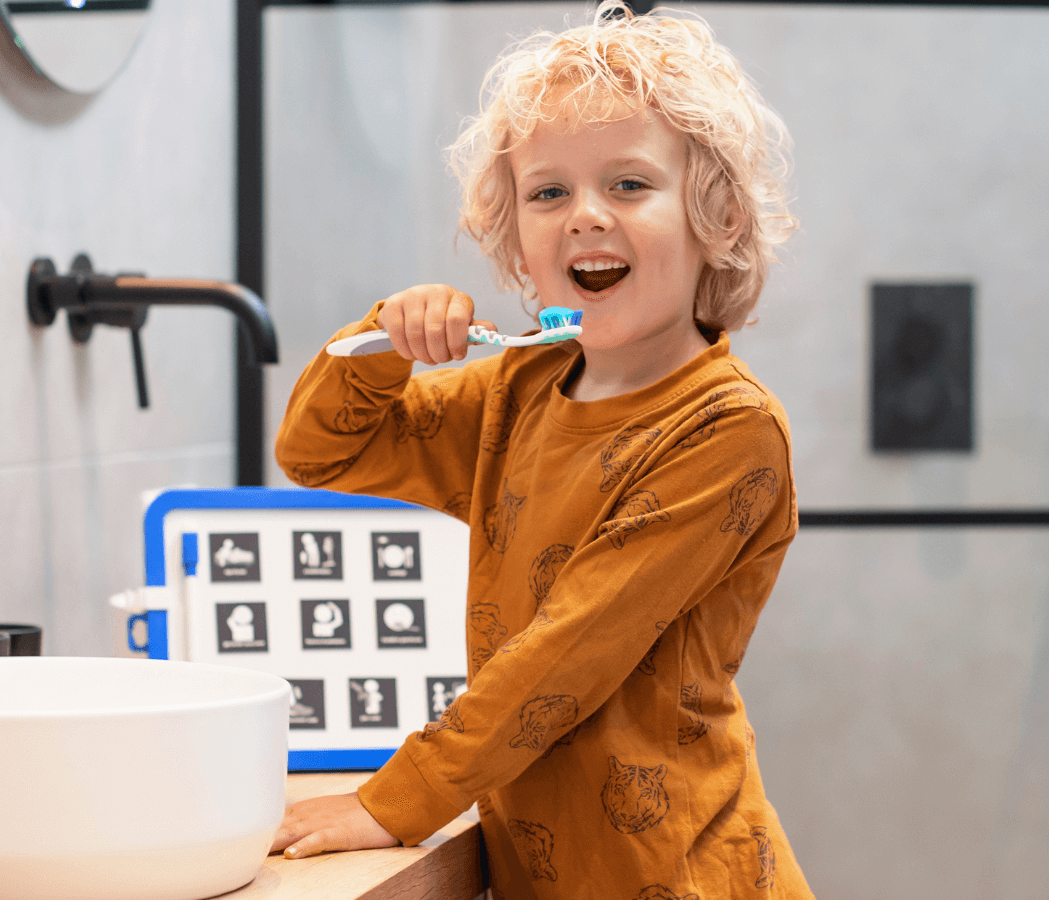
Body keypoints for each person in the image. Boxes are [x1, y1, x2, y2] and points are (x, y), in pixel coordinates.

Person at [271, 3, 810, 896]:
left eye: (629, 184)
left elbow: (565, 654)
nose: (585, 216)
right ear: (516, 238)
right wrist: (385, 343)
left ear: (714, 215)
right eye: (548, 193)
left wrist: (394, 801)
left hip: (679, 875)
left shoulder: (726, 428)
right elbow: (320, 453)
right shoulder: (517, 390)